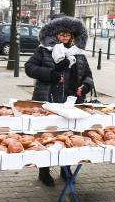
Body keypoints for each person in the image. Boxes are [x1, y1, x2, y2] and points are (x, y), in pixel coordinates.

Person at [25, 15, 94, 186]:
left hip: (70, 101)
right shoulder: (44, 50)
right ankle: (44, 171)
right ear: (56, 35)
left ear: (72, 36)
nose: (64, 37)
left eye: (68, 34)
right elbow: (29, 68)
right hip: (48, 98)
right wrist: (51, 75)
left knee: (68, 135)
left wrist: (85, 86)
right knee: (47, 135)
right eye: (61, 34)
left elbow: (88, 75)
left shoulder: (78, 53)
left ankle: (66, 168)